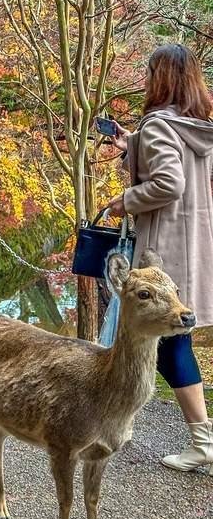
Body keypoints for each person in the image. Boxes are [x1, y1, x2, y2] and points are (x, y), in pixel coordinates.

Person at [105, 43, 213, 474]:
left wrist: (125, 201)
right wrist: (130, 143)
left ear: (160, 78)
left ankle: (203, 441)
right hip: (193, 247)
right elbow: (175, 166)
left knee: (166, 344)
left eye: (150, 72)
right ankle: (124, 422)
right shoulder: (196, 126)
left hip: (163, 253)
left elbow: (169, 182)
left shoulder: (158, 127)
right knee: (162, 341)